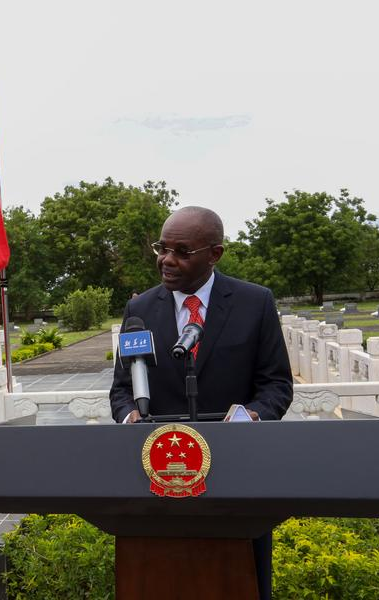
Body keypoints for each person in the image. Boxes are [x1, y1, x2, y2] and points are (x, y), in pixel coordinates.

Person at [109, 206, 292, 600]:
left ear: (215, 254)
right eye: (162, 247)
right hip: (155, 476)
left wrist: (250, 416)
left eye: (181, 250)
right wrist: (128, 417)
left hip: (236, 477)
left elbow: (276, 385)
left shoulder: (254, 302)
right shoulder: (138, 311)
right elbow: (122, 388)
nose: (166, 259)